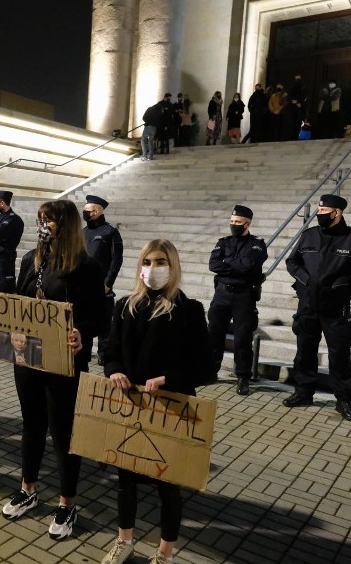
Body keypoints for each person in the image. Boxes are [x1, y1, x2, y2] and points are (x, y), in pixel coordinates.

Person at [99, 239, 210, 564]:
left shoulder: (189, 310)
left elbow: (204, 365)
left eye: (160, 262)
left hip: (171, 408)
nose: (152, 269)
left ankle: (164, 553)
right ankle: (124, 541)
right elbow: (110, 349)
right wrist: (114, 370)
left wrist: (169, 379)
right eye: (147, 262)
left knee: (168, 486)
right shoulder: (124, 305)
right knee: (126, 482)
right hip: (132, 408)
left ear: (172, 266)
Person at [0, 199, 105, 541]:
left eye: (49, 220)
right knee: (32, 426)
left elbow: (100, 318)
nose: (43, 226)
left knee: (63, 435)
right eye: (40, 219)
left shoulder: (85, 267)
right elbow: (19, 303)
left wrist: (81, 333)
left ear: (67, 225)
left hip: (64, 363)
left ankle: (67, 502)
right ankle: (28, 488)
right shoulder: (31, 261)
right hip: (28, 358)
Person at [284, 194, 351, 422]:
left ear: (337, 213)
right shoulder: (308, 236)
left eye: (324, 212)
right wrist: (304, 280)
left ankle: (344, 400)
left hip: (336, 307)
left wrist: (346, 282)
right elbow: (292, 262)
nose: (319, 215)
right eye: (319, 211)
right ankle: (303, 392)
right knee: (304, 351)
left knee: (339, 356)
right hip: (308, 305)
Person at [207, 205, 267, 395]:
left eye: (238, 223)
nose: (234, 225)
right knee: (214, 334)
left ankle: (243, 377)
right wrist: (237, 266)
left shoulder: (256, 244)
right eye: (232, 222)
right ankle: (210, 371)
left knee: (242, 339)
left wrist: (227, 263)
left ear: (247, 224)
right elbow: (213, 264)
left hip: (244, 296)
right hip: (222, 294)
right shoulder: (223, 242)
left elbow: (249, 265)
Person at [82, 195, 123, 366]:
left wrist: (108, 283)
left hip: (102, 287)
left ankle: (104, 355)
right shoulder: (83, 232)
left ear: (97, 211)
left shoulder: (110, 232)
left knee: (105, 325)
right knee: (85, 322)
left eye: (87, 211)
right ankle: (83, 352)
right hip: (83, 286)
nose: (84, 213)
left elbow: (116, 259)